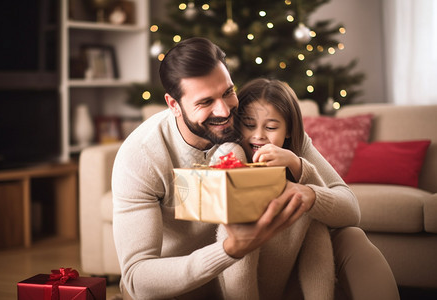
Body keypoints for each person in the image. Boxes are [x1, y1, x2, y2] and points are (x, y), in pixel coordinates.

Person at [112, 37, 399, 299]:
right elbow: (137, 278)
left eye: (227, 92)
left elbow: (349, 208)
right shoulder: (142, 156)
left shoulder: (255, 126)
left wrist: (304, 180)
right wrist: (229, 250)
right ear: (174, 105)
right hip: (187, 289)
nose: (224, 111)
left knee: (352, 238)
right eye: (205, 102)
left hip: (265, 281)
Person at [216, 78, 337, 300]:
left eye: (271, 127)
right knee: (239, 222)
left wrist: (297, 164)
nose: (259, 135)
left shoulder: (298, 148)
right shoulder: (230, 148)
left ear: (289, 130)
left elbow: (349, 209)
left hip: (286, 279)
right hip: (229, 282)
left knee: (316, 215)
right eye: (249, 125)